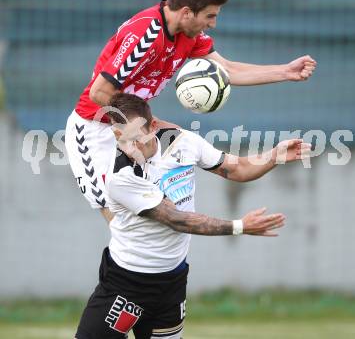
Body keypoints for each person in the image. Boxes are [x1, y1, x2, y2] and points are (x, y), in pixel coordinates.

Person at [65, 0, 316, 223]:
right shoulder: (145, 36)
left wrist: (285, 71)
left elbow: (227, 70)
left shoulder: (189, 35)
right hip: (93, 132)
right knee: (122, 226)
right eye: (210, 16)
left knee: (179, 180)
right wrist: (144, 129)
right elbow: (100, 93)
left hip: (138, 127)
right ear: (186, 12)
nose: (213, 24)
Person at [74, 93, 311, 339]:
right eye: (123, 140)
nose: (132, 148)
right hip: (126, 283)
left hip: (172, 283)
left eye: (137, 138)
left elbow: (237, 168)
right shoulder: (121, 177)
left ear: (153, 126)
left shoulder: (184, 143)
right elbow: (176, 219)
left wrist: (274, 156)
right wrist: (240, 226)